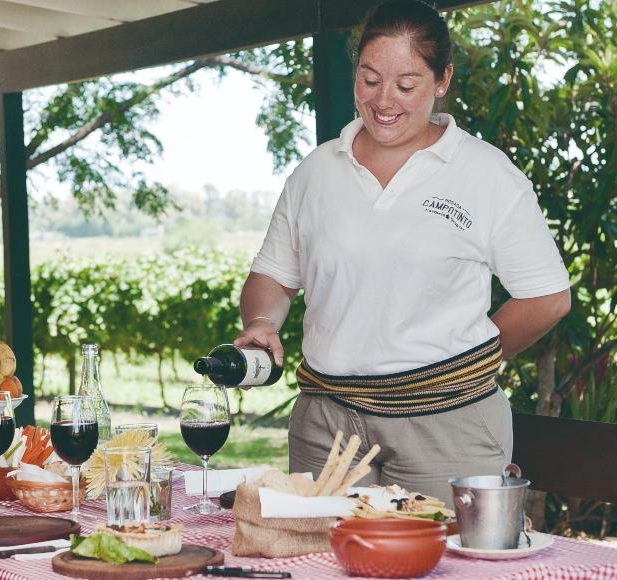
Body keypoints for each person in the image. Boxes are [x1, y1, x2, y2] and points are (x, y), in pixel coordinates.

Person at [233, 0, 571, 505]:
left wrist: (463, 365)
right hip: (327, 425)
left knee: (449, 563)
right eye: (370, 80)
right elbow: (274, 278)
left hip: (449, 425)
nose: (384, 99)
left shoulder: (486, 174)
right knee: (321, 564)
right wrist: (262, 320)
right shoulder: (316, 172)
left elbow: (547, 297)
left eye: (406, 84)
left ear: (443, 80)